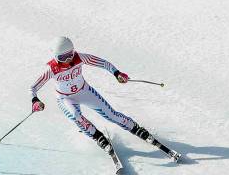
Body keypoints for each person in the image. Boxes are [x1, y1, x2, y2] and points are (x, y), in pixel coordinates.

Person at [29, 36, 180, 162]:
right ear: (55, 56)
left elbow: (103, 63)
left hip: (84, 91)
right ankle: (98, 137)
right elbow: (33, 87)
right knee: (75, 116)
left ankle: (136, 129)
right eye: (63, 57)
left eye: (70, 54)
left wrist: (117, 73)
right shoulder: (52, 69)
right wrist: (35, 100)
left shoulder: (79, 58)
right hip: (65, 99)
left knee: (111, 114)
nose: (69, 59)